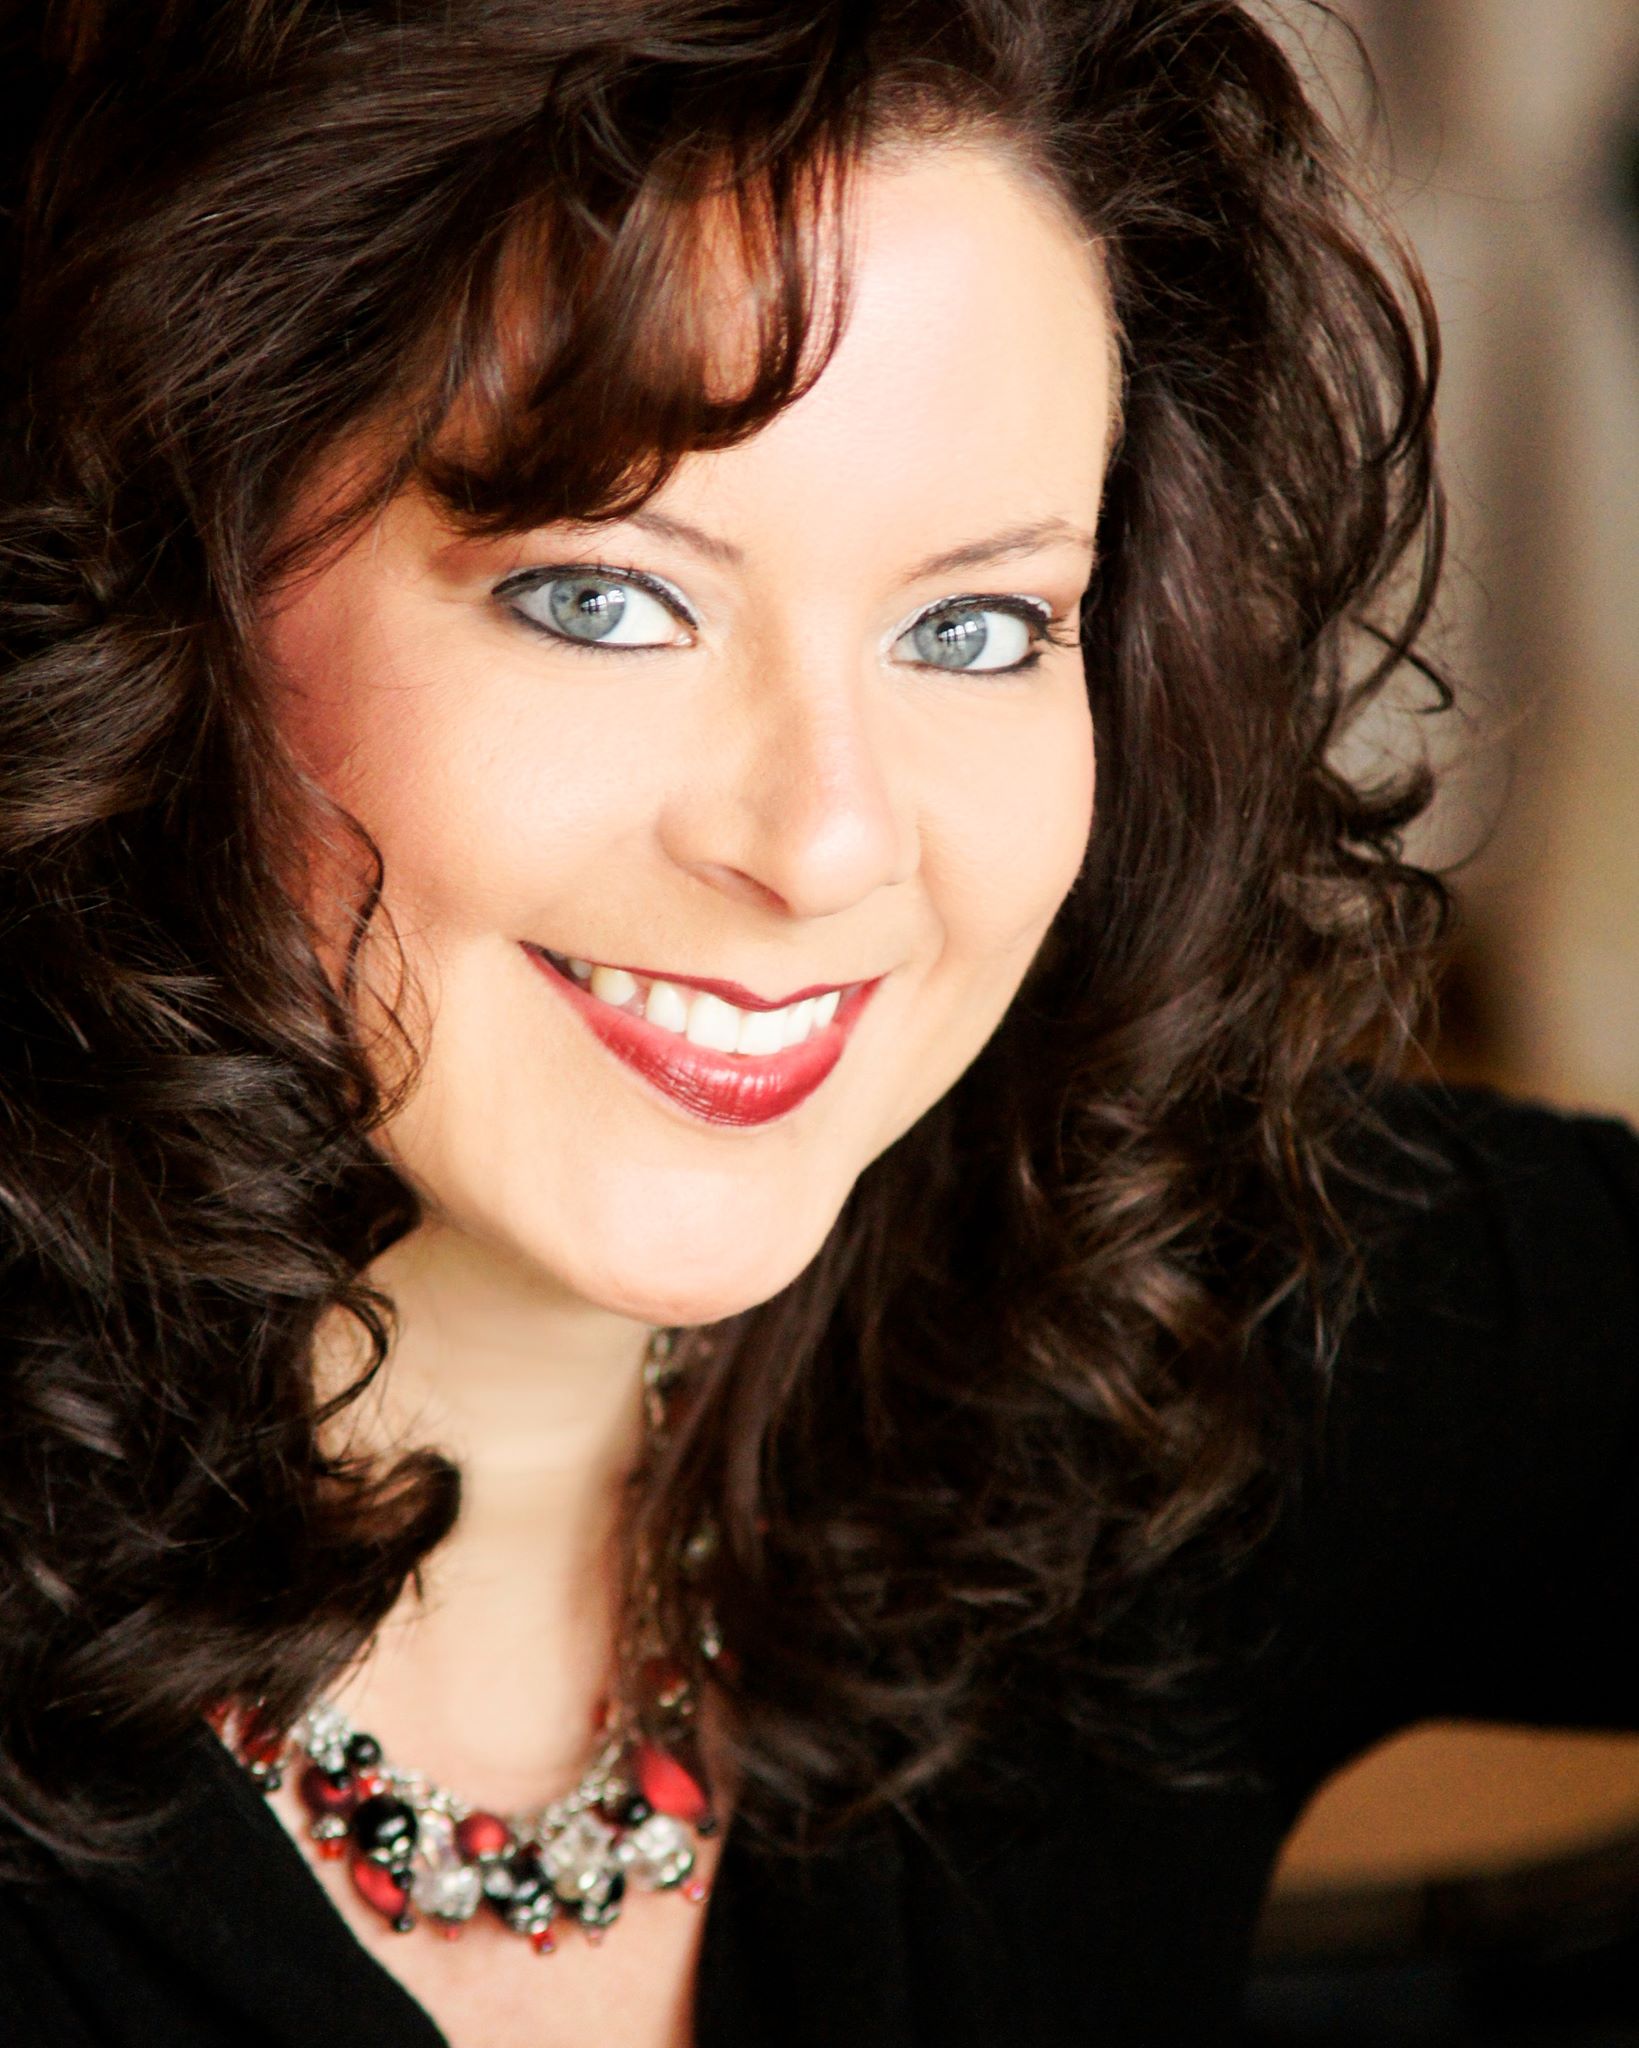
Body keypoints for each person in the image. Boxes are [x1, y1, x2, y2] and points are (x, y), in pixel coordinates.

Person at [1, 2, 1635, 2044]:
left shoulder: (1138, 1332)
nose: (828, 841)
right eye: (604, 598)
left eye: (973, 625)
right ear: (153, 588)